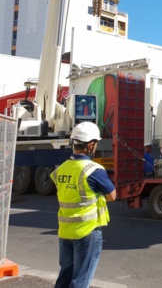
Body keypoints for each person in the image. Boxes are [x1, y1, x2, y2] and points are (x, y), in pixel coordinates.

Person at [50, 122, 116, 288]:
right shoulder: (94, 170)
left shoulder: (61, 169)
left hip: (65, 230)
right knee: (80, 280)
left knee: (65, 276)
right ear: (91, 145)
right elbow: (112, 195)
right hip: (87, 230)